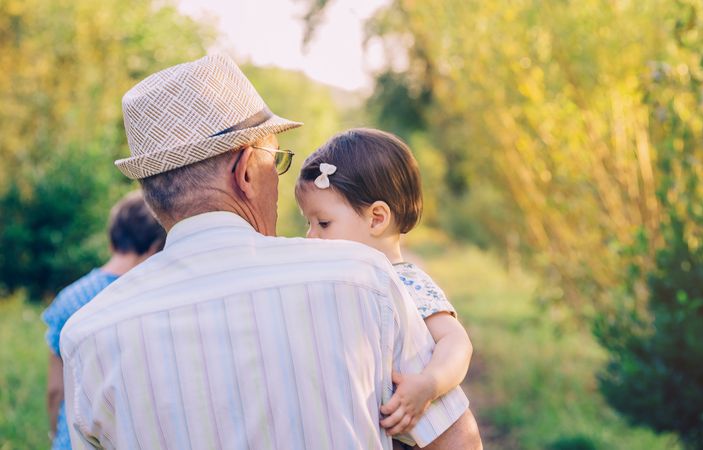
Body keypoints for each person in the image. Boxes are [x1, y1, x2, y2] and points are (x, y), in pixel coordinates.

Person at [60, 54, 481, 449]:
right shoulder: (362, 280)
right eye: (275, 162)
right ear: (245, 171)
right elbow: (457, 442)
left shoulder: (87, 338)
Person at [295, 128, 473, 437]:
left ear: (377, 218)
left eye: (323, 223)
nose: (311, 236)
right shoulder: (334, 286)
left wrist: (429, 384)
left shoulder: (406, 283)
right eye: (307, 223)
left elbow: (456, 342)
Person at [42, 191, 165, 450]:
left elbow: (55, 389)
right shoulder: (153, 296)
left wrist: (55, 432)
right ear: (156, 247)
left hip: (73, 440)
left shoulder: (70, 298)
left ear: (112, 239)